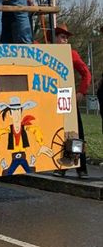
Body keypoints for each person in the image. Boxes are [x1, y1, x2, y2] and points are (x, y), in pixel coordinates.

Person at [54, 23, 90, 177]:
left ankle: (81, 168)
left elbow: (86, 74)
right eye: (62, 37)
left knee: (75, 132)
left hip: (66, 97)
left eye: (66, 38)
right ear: (54, 38)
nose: (65, 41)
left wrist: (81, 92)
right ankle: (60, 166)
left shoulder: (72, 54)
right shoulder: (45, 51)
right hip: (49, 98)